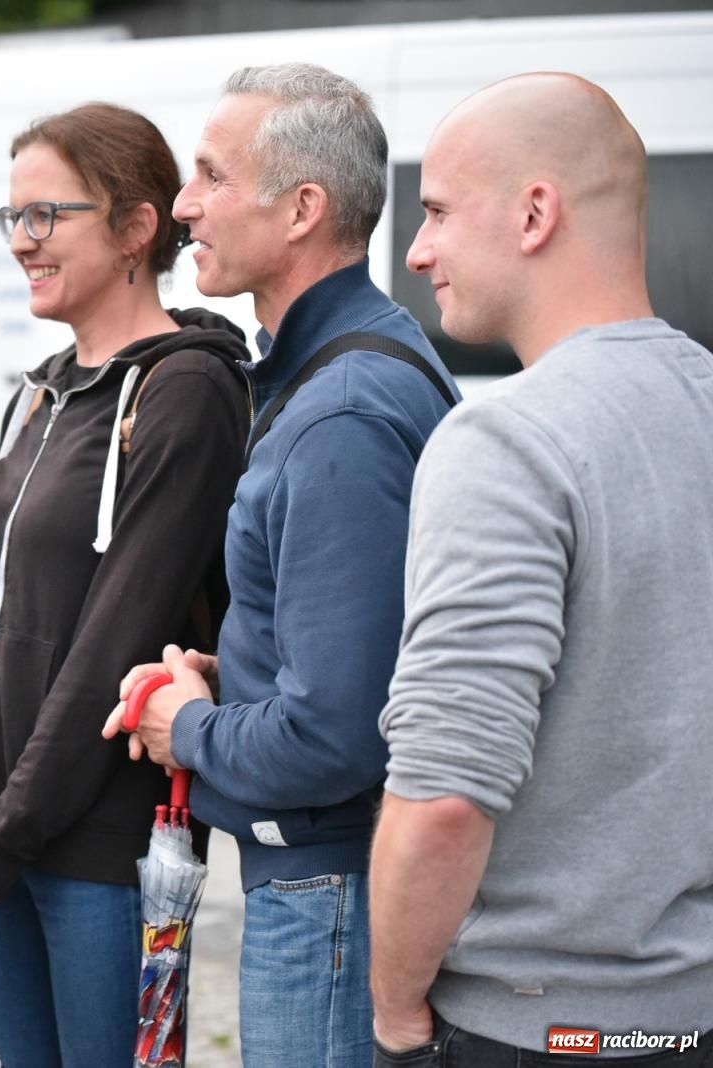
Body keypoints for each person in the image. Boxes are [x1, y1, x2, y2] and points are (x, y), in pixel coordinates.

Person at [103, 64, 457, 1067]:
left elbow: (338, 734)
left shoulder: (338, 412)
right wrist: (227, 675)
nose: (182, 205)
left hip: (327, 895)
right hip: (331, 889)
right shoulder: (335, 370)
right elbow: (364, 656)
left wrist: (191, 727)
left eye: (212, 176)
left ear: (301, 208)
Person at [369, 73, 713, 1066]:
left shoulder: (505, 442)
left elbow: (443, 796)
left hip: (546, 1030)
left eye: (434, 210)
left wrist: (395, 1018)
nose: (417, 249)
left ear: (533, 213)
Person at [0, 102, 252, 1067]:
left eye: (47, 216)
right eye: (12, 218)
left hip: (104, 855)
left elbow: (114, 640)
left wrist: (0, 847)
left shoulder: (183, 391)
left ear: (138, 228)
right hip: (3, 847)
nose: (23, 242)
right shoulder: (39, 390)